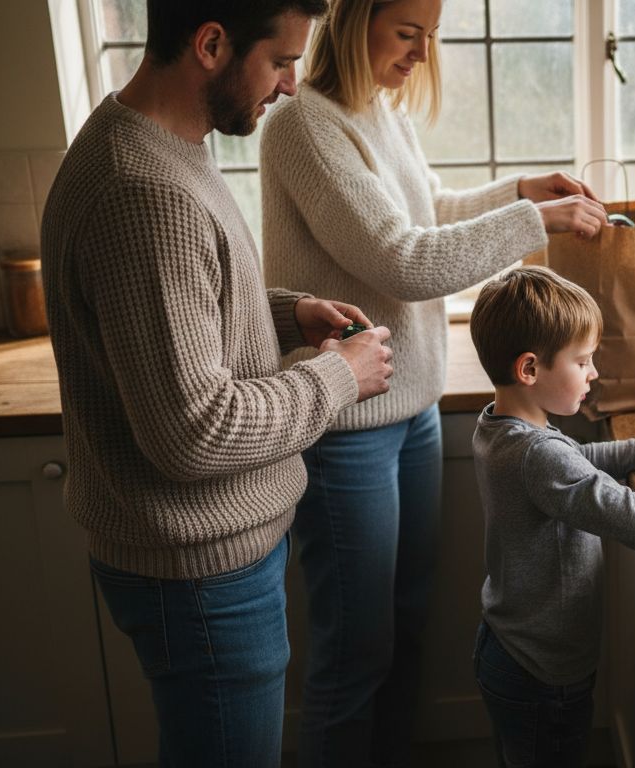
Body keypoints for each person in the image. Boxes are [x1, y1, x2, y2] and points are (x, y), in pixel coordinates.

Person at [39, 1, 396, 766]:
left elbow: (185, 313)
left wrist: (286, 314)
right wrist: (338, 376)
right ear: (210, 44)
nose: (293, 87)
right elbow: (195, 428)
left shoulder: (159, 147)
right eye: (280, 62)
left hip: (205, 564)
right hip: (199, 577)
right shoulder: (143, 190)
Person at [258, 0, 609, 764]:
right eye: (408, 33)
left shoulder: (379, 111)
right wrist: (536, 223)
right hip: (346, 426)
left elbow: (430, 212)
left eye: (431, 37)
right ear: (355, 23)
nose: (422, 54)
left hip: (409, 408)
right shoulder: (301, 126)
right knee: (355, 655)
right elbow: (405, 259)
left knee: (406, 624)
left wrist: (522, 192)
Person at [468, 266, 635, 766]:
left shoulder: (504, 425)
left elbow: (577, 462)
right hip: (541, 671)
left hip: (510, 647)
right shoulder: (535, 453)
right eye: (582, 360)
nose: (592, 373)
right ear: (530, 369)